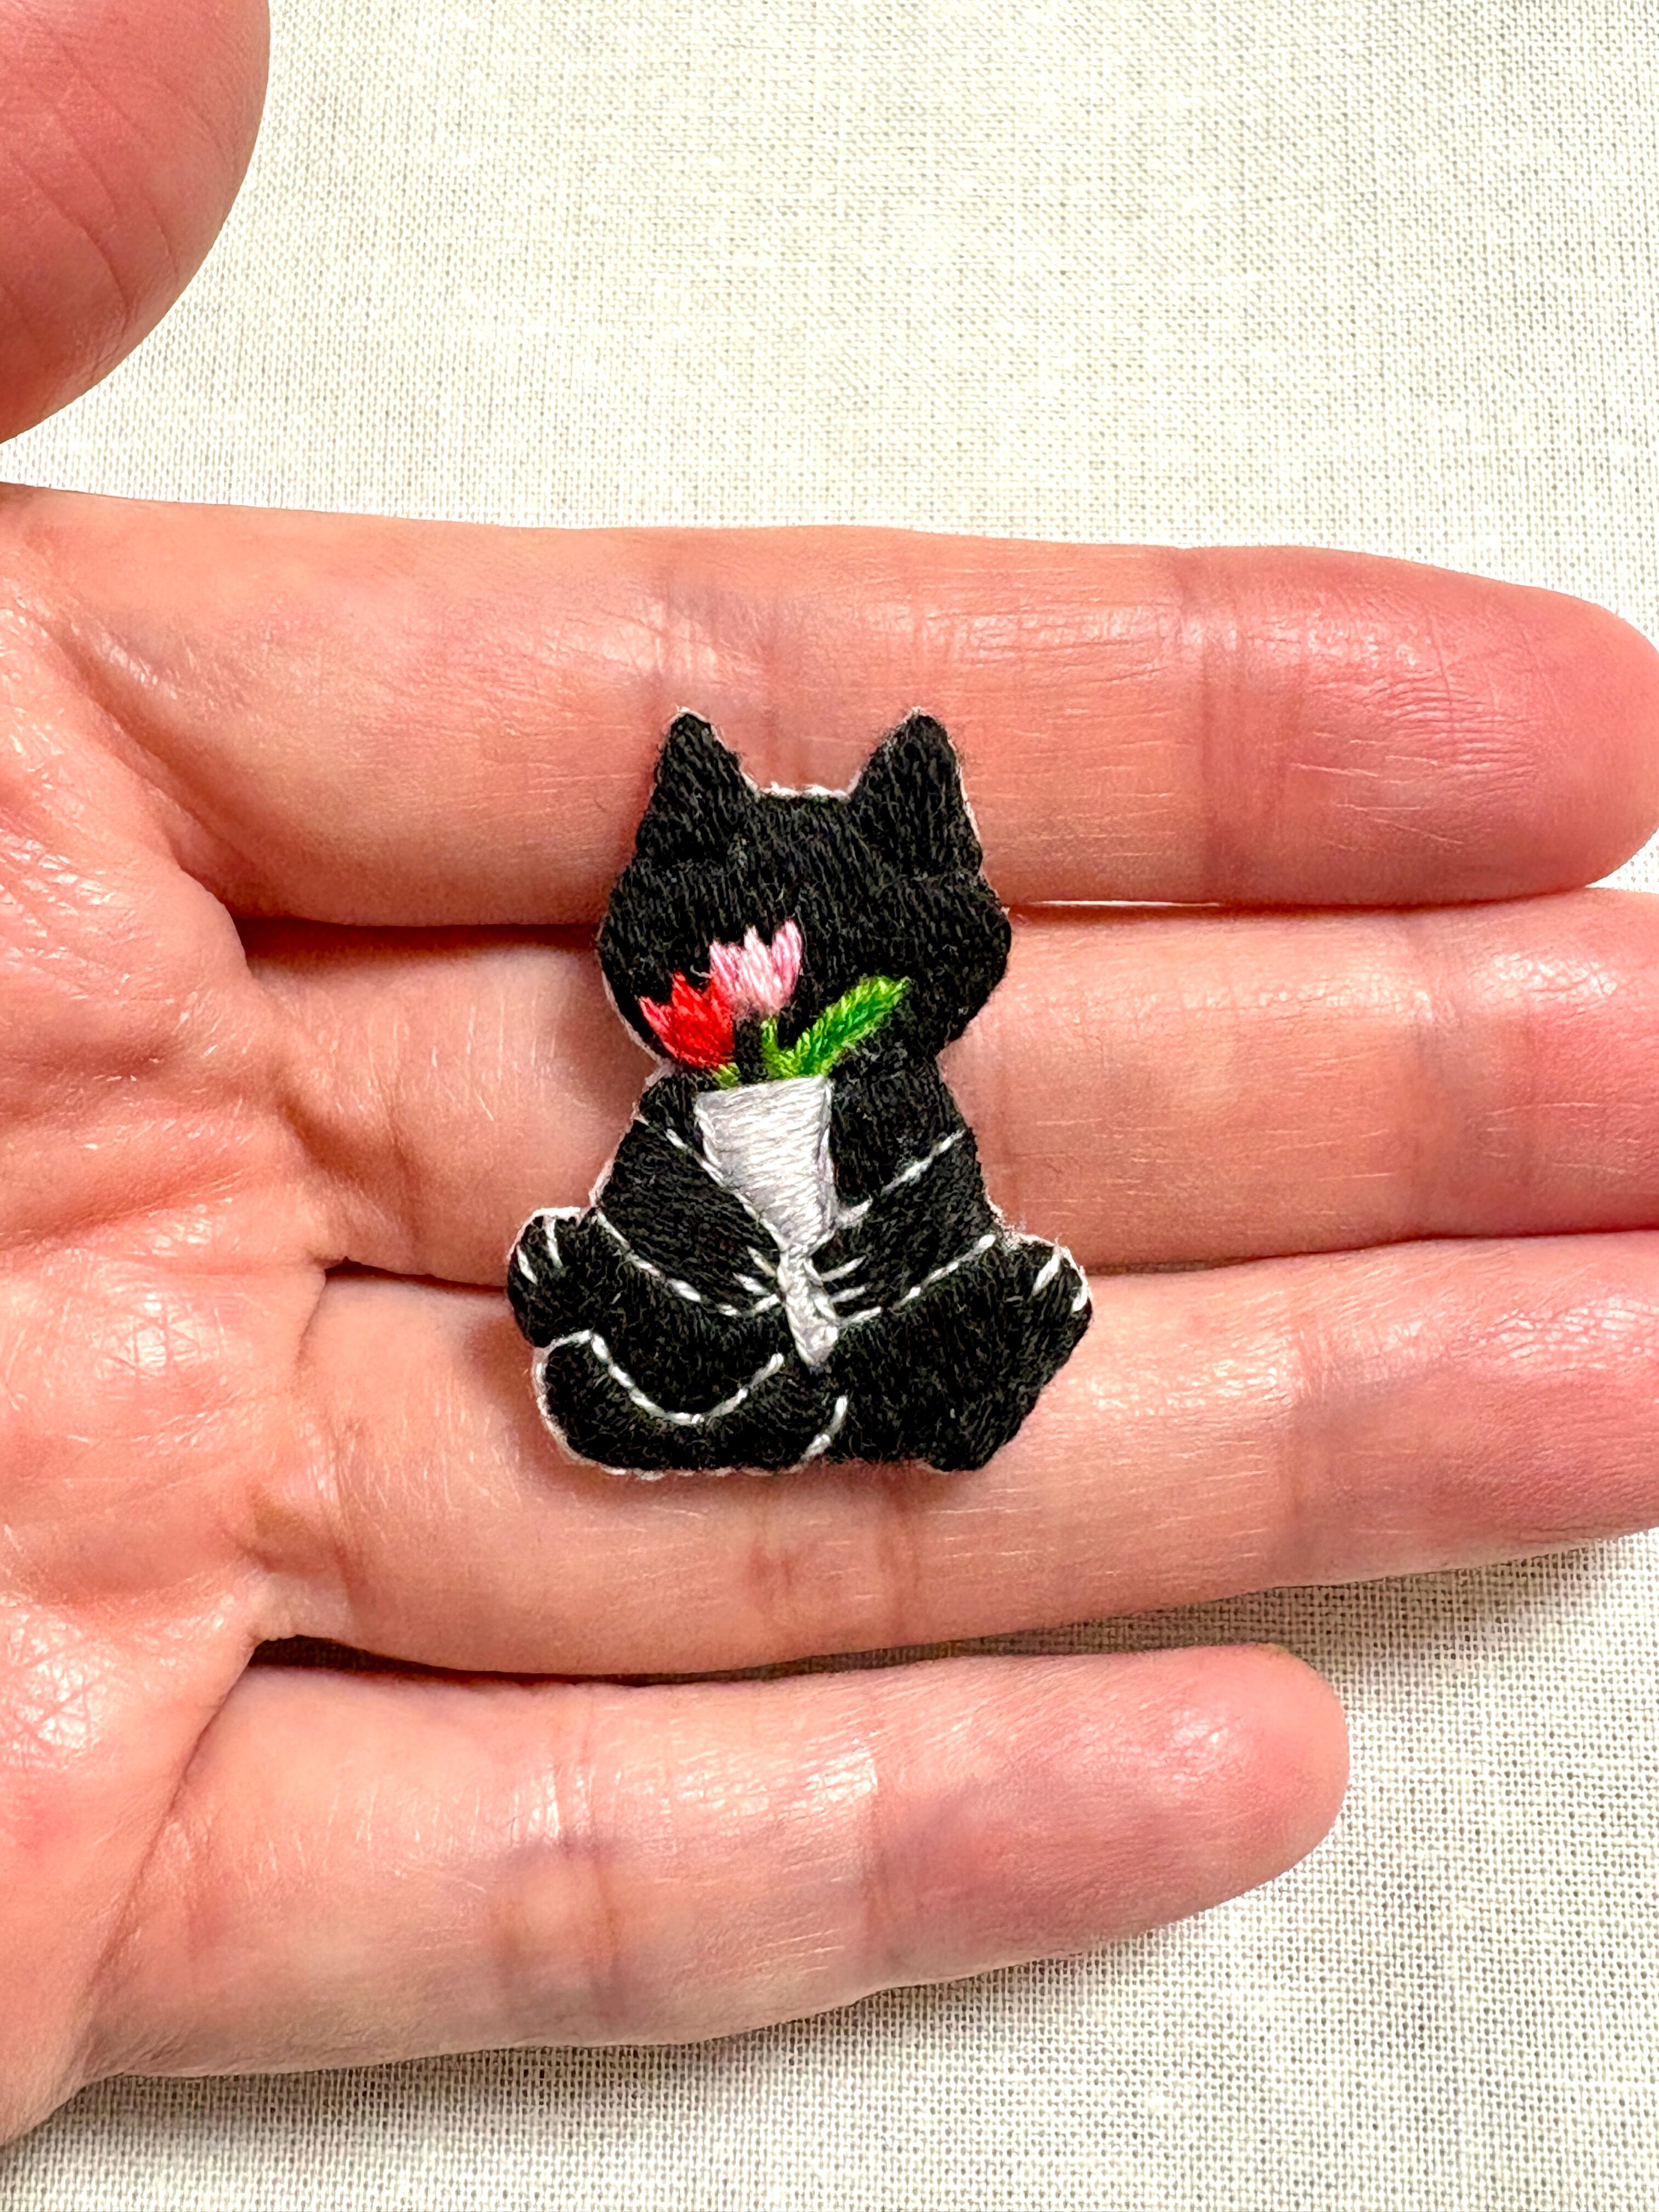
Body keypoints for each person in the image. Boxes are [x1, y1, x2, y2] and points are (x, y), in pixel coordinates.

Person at [5, 0, 1659, 2146]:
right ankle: (681, 1384)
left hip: (869, 1332)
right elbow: (661, 1204)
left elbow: (925, 1207)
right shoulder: (676, 1105)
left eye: (777, 980)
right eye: (702, 976)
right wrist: (645, 1280)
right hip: (711, 1341)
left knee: (940, 1311)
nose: (743, 1010)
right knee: (643, 1313)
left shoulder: (902, 1101)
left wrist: (878, 1291)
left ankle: (888, 1374)